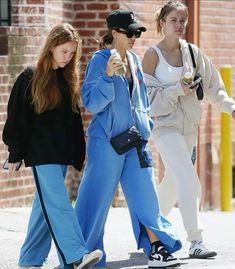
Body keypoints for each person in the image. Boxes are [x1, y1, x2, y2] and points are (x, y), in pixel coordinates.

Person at [74, 10, 182, 269]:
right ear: (114, 33)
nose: (135, 37)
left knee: (145, 196)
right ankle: (83, 254)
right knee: (96, 200)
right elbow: (92, 103)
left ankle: (157, 249)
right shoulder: (100, 61)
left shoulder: (134, 60)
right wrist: (109, 77)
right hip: (106, 144)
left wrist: (146, 128)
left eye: (137, 32)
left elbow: (140, 101)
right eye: (130, 33)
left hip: (135, 141)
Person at [2, 23, 103, 269]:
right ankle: (77, 254)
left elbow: (72, 121)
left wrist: (78, 153)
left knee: (43, 206)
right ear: (51, 48)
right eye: (64, 52)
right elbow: (17, 117)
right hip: (40, 154)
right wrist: (15, 152)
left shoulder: (66, 81)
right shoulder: (29, 76)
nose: (68, 58)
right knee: (58, 203)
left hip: (59, 155)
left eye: (72, 54)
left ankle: (30, 259)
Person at [142, 0, 235, 259]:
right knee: (187, 178)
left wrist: (231, 107)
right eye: (174, 20)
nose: (180, 25)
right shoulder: (152, 56)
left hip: (189, 128)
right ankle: (196, 240)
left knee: (173, 182)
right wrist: (177, 91)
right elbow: (146, 100)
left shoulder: (193, 53)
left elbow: (215, 86)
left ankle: (150, 227)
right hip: (164, 126)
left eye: (183, 20)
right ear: (162, 23)